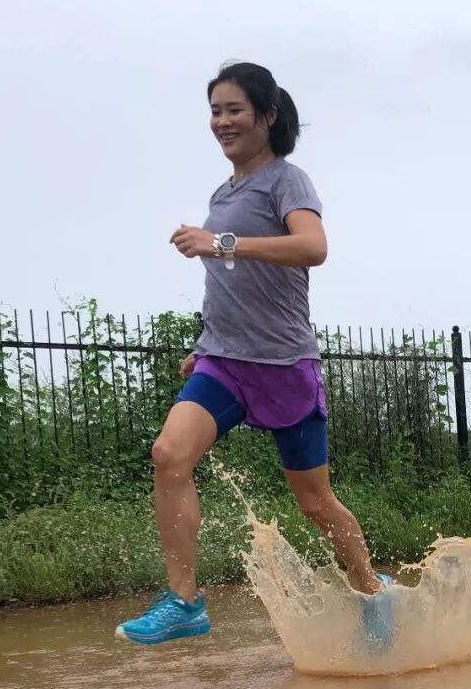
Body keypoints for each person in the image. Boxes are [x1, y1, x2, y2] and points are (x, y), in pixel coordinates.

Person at [117, 61, 393, 646]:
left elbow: (313, 247)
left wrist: (219, 242)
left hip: (284, 366)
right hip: (224, 363)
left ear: (267, 116)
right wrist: (204, 345)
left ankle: (371, 589)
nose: (222, 121)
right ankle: (184, 601)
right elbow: (227, 283)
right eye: (215, 111)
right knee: (168, 455)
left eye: (234, 110)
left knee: (314, 502)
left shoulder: (287, 181)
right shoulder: (224, 193)